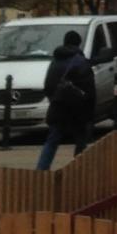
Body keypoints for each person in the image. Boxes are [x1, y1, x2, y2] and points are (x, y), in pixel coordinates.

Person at [36, 30, 96, 170]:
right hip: (78, 109)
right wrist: (90, 112)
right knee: (80, 140)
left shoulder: (55, 61)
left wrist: (54, 100)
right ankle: (77, 170)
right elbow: (90, 90)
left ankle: (41, 170)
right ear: (78, 44)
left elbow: (48, 86)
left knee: (52, 140)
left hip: (58, 106)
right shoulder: (81, 62)